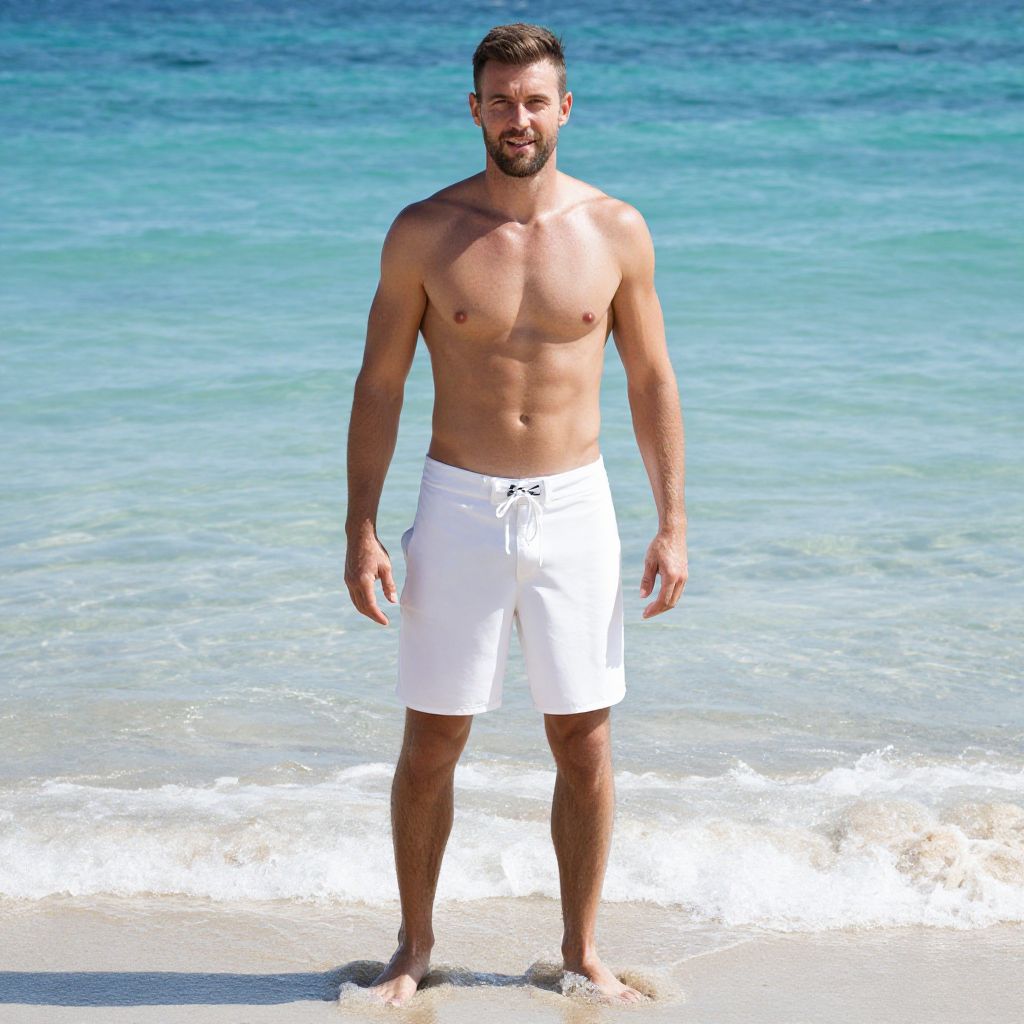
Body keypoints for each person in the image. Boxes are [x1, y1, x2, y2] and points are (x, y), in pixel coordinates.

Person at [344, 21, 687, 1007]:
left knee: (584, 740)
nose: (518, 117)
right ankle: (413, 944)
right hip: (457, 504)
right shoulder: (423, 232)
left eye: (535, 99)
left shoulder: (617, 229)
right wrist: (360, 526)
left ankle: (581, 950)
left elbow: (650, 377)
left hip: (577, 507)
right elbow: (378, 384)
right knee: (433, 741)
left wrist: (673, 519)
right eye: (500, 99)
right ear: (474, 109)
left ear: (565, 107)